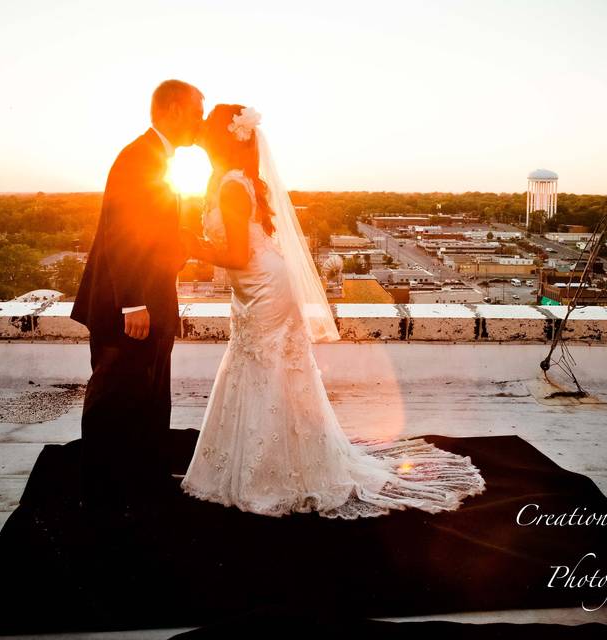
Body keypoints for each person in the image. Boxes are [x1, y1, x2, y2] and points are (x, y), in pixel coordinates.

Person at [178, 104, 486, 519]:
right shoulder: (230, 180)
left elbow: (233, 252)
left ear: (220, 138)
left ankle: (275, 472)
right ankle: (259, 464)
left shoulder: (233, 186)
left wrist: (188, 243)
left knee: (267, 370)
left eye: (205, 128)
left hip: (265, 286)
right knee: (256, 368)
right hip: (252, 287)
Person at [70, 79, 204, 514]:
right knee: (115, 395)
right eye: (198, 112)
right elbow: (121, 234)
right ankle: (104, 489)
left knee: (148, 395)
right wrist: (133, 301)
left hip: (151, 301)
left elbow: (154, 235)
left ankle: (141, 478)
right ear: (177, 109)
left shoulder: (158, 160)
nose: (200, 121)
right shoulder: (138, 158)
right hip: (126, 306)